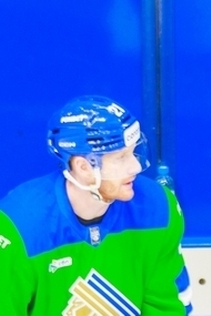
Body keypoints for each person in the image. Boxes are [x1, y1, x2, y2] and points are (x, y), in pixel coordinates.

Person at [0, 95, 193, 315]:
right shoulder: (19, 227)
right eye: (121, 158)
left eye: (133, 152)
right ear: (83, 167)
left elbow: (168, 307)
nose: (136, 167)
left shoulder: (157, 208)